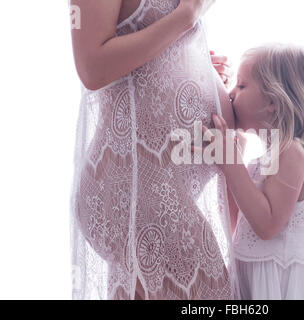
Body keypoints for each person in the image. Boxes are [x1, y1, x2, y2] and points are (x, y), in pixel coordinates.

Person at [69, 0, 239, 299]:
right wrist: (186, 17)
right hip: (132, 184)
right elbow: (92, 67)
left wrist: (190, 64)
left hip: (158, 185)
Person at [196, 43, 304, 299]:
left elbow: (267, 226)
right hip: (259, 282)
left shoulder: (292, 154)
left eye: (241, 86)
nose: (231, 94)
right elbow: (243, 226)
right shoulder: (268, 160)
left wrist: (231, 163)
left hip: (285, 287)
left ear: (273, 101)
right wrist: (234, 164)